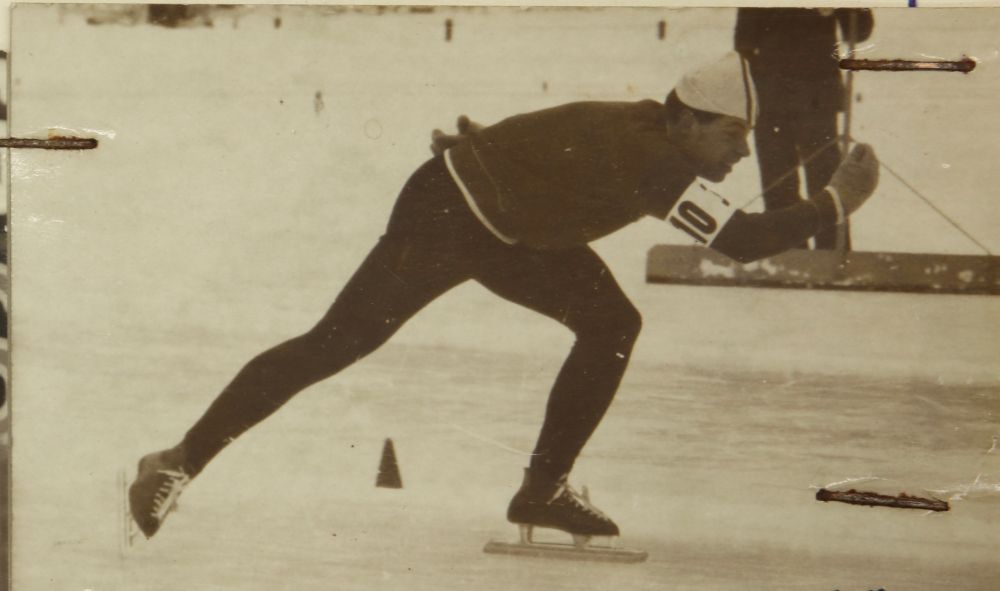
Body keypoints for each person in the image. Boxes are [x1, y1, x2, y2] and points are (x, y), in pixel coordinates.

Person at [128, 53, 879, 543]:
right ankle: (175, 458)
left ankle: (541, 489)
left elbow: (555, 135)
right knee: (337, 342)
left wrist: (497, 146)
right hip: (447, 215)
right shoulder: (656, 155)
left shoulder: (647, 130)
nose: (742, 152)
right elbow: (741, 241)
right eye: (732, 134)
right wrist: (835, 203)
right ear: (684, 118)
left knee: (612, 323)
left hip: (521, 230)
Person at [735, 8, 874, 250]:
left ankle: (833, 254)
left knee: (826, 179)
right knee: (778, 183)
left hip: (817, 97)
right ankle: (788, 253)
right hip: (772, 96)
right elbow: (744, 41)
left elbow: (859, 30)